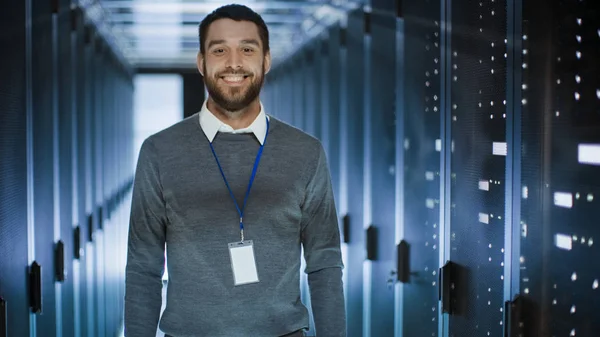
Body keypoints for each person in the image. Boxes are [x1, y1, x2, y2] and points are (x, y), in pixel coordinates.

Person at [124, 4, 346, 337]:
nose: (234, 63)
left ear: (266, 60)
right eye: (219, 50)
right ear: (201, 62)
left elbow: (325, 263)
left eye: (247, 49)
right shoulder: (159, 151)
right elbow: (143, 267)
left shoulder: (306, 152)